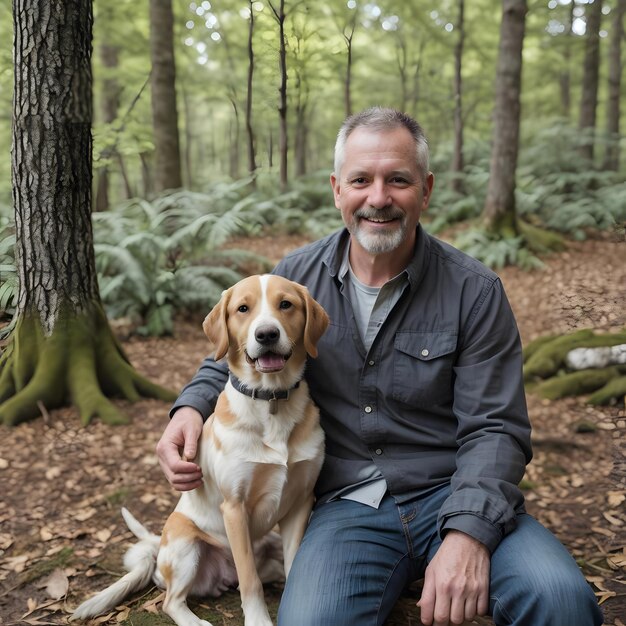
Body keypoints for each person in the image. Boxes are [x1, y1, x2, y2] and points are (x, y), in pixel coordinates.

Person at [156, 107, 603, 626]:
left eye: (398, 180)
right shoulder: (294, 280)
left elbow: (497, 428)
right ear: (337, 189)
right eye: (361, 180)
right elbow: (243, 354)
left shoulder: (474, 292)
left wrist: (468, 534)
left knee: (562, 601)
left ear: (426, 189)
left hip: (453, 491)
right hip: (349, 508)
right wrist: (187, 408)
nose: (379, 198)